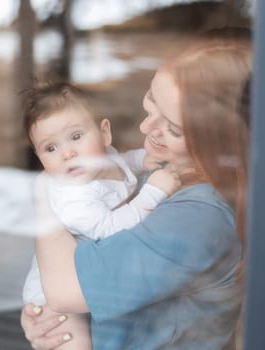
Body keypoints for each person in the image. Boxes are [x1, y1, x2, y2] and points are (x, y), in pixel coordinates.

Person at [21, 35, 251, 350]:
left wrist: (42, 193)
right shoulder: (169, 171)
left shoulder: (200, 218)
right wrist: (45, 317)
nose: (145, 127)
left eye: (172, 128)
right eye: (151, 100)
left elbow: (65, 290)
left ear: (216, 140)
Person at [20, 81, 181, 349]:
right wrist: (153, 192)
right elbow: (109, 229)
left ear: (104, 133)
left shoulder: (102, 160)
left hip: (89, 278)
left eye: (75, 136)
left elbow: (122, 161)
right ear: (40, 158)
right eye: (51, 148)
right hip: (52, 293)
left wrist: (142, 160)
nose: (68, 153)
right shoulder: (74, 196)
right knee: (74, 343)